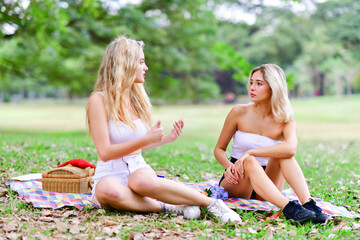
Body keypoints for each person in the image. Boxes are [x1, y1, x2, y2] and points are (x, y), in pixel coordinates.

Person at [86, 35, 241, 223]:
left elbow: (134, 149)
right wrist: (146, 139)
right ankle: (170, 207)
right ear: (124, 64)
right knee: (109, 192)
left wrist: (165, 139)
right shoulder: (99, 100)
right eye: (141, 62)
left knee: (141, 181)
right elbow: (105, 152)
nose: (146, 68)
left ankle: (211, 204)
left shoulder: (137, 99)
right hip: (109, 172)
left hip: (137, 168)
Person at [214, 64, 328, 224]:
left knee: (284, 155)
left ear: (273, 88)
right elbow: (219, 149)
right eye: (252, 82)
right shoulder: (238, 112)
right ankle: (290, 209)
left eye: (259, 84)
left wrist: (252, 152)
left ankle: (309, 205)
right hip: (238, 179)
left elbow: (291, 149)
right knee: (249, 161)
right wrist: (229, 167)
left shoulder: (285, 120)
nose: (252, 88)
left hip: (267, 186)